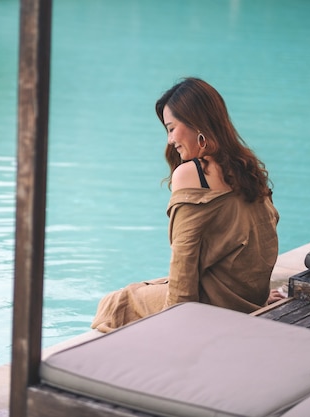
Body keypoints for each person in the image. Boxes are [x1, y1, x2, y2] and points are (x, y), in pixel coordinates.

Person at [91, 77, 283, 333]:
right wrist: (256, 300)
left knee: (116, 302)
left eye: (172, 128)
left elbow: (184, 257)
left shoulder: (193, 174)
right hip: (243, 300)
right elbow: (263, 242)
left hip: (211, 309)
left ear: (196, 124)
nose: (170, 140)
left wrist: (178, 323)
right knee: (149, 286)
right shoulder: (246, 168)